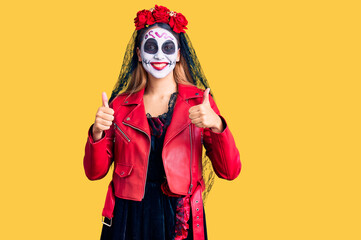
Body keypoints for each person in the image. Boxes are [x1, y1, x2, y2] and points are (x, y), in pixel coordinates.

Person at [83, 5, 242, 240]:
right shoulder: (118, 106)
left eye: (167, 47)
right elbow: (94, 173)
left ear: (178, 54)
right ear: (138, 54)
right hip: (129, 216)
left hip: (181, 217)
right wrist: (97, 132)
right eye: (150, 47)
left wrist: (217, 125)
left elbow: (230, 171)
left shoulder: (199, 102)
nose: (159, 55)